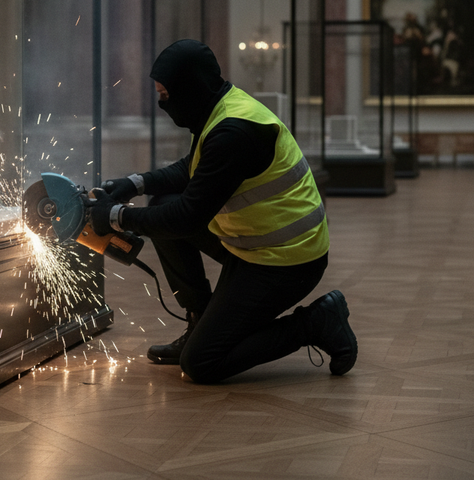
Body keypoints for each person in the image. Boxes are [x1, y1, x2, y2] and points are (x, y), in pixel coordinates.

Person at [88, 39, 357, 384]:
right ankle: (201, 319)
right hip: (255, 248)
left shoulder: (234, 132)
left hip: (287, 263)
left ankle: (317, 323)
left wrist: (116, 217)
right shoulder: (220, 107)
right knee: (163, 205)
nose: (162, 103)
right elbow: (193, 168)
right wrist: (135, 183)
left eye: (166, 94)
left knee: (201, 362)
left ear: (190, 89)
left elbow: (188, 217)